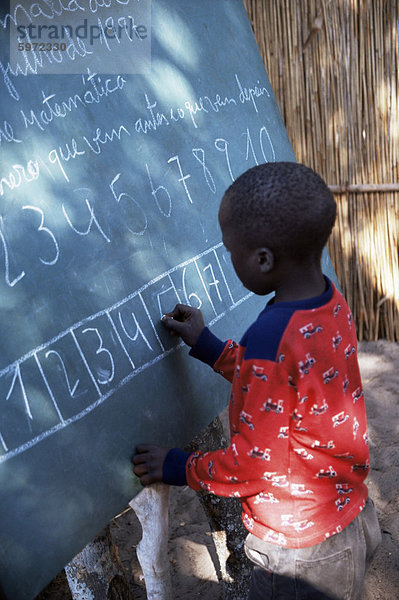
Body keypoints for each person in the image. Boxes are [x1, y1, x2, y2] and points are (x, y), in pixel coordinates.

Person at [132, 162, 381, 599]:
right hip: (350, 517)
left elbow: (253, 464)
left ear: (263, 259)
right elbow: (293, 381)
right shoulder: (329, 301)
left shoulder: (269, 338)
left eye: (230, 250)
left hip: (299, 556)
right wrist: (210, 346)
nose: (227, 258)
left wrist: (179, 466)